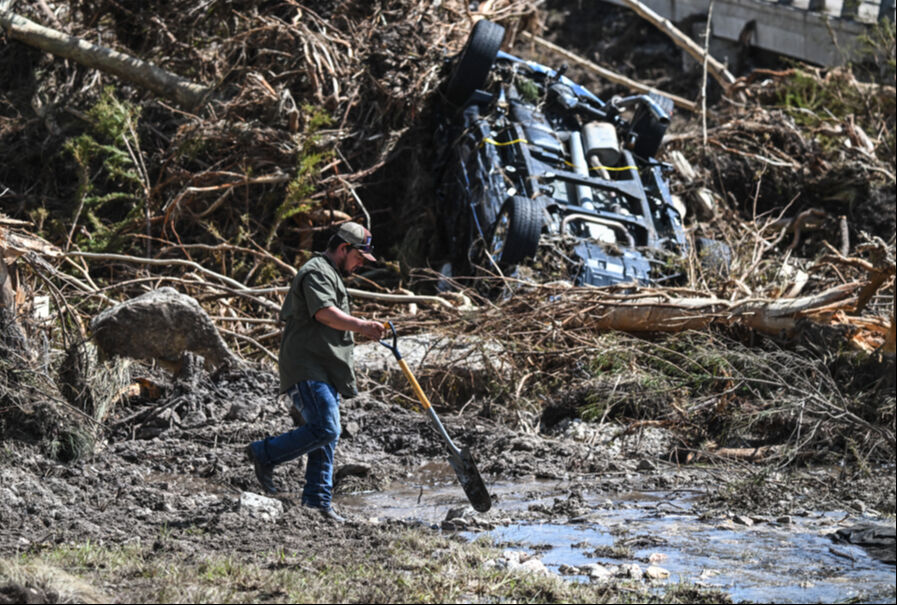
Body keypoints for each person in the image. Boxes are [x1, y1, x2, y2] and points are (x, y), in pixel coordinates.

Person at [246, 221, 386, 522]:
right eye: (359, 257)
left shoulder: (330, 273)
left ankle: (317, 502)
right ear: (343, 248)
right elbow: (324, 313)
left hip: (323, 367)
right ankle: (265, 453)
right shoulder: (316, 272)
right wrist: (362, 326)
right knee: (326, 428)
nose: (361, 264)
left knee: (325, 434)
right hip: (307, 366)